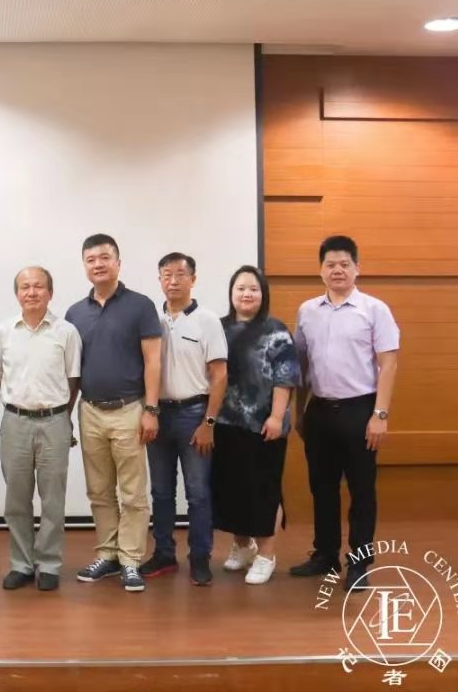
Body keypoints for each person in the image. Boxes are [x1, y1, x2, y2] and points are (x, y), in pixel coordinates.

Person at [290, 235, 400, 592]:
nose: (337, 270)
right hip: (319, 410)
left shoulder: (374, 309)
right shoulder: (307, 311)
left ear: (356, 268)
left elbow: (388, 364)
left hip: (360, 410)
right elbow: (301, 365)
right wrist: (299, 411)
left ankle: (360, 563)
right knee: (322, 488)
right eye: (330, 264)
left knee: (361, 491)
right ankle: (325, 554)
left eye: (344, 264)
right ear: (320, 270)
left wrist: (380, 414)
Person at [65, 234, 161, 593]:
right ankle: (108, 555)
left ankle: (131, 560)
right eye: (91, 259)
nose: (98, 264)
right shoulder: (75, 313)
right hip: (89, 411)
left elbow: (153, 361)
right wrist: (66, 415)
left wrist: (151, 410)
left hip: (130, 410)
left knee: (133, 493)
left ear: (118, 262)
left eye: (105, 257)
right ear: (84, 266)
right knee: (99, 490)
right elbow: (72, 371)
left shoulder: (140, 306)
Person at [0, 266, 81, 592]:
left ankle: (50, 564)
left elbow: (73, 379)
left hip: (55, 421)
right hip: (15, 421)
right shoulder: (3, 331)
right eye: (25, 287)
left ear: (50, 292)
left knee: (53, 499)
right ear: (17, 293)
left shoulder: (66, 332)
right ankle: (21, 563)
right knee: (16, 498)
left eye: (38, 286)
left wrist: (61, 415)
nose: (31, 292)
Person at [140, 253, 227, 586]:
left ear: (193, 279)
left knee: (198, 493)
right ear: (159, 280)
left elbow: (219, 375)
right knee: (161, 491)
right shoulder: (152, 320)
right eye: (167, 275)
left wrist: (209, 422)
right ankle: (164, 553)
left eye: (180, 274)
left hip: (194, 414)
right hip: (158, 414)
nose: (173, 281)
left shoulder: (207, 320)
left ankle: (200, 557)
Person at [211, 266, 299, 585]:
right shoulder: (218, 328)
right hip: (225, 422)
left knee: (264, 491)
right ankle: (242, 545)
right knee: (232, 489)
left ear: (263, 294)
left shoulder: (276, 331)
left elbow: (285, 378)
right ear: (231, 293)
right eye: (241, 288)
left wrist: (276, 416)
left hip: (264, 426)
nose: (246, 294)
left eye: (253, 289)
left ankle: (266, 555)